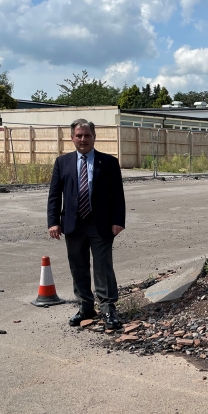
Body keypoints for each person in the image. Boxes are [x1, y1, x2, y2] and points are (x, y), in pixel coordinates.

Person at [47, 118, 126, 329]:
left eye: (87, 135)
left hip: (100, 224)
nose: (83, 139)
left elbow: (117, 195)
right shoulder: (62, 163)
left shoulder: (108, 162)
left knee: (103, 267)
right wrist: (53, 222)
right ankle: (85, 307)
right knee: (78, 267)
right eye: (79, 135)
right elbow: (55, 195)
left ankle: (109, 309)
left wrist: (118, 221)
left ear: (94, 137)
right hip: (73, 225)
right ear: (72, 138)